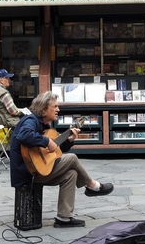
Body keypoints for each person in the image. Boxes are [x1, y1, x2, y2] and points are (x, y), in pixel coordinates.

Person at [9, 91, 114, 228]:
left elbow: (54, 152)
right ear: (44, 109)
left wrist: (68, 140)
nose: (58, 109)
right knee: (72, 158)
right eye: (55, 106)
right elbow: (23, 135)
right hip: (27, 173)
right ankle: (92, 186)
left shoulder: (44, 126)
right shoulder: (30, 121)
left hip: (37, 171)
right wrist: (46, 141)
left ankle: (64, 218)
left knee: (71, 174)